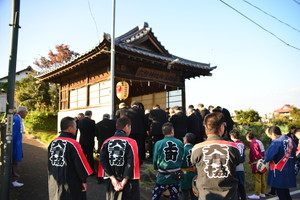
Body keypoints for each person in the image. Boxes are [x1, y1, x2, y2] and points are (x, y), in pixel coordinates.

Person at [191, 112, 240, 200]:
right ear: (222, 127)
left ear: (205, 128)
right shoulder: (233, 147)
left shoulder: (196, 148)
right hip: (229, 196)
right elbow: (237, 163)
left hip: (205, 195)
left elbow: (195, 167)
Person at [48, 117, 93, 200]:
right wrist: (83, 180)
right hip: (70, 181)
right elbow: (80, 164)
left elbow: (49, 163)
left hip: (54, 179)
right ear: (70, 128)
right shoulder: (73, 144)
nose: (76, 128)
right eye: (75, 126)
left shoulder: (53, 142)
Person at [98, 117, 140, 200]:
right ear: (127, 127)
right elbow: (132, 162)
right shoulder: (131, 142)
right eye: (130, 127)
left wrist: (113, 179)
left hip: (112, 182)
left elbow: (103, 161)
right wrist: (123, 182)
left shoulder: (106, 142)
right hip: (128, 183)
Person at [152, 122, 184, 200]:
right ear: (172, 131)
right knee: (174, 197)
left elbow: (155, 159)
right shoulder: (179, 142)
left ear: (163, 132)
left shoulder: (158, 143)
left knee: (155, 196)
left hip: (162, 175)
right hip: (176, 175)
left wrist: (156, 168)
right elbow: (182, 157)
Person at [264, 126, 297, 200]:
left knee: (281, 193)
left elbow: (268, 156)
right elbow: (295, 151)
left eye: (270, 136)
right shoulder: (290, 139)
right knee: (286, 192)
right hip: (289, 169)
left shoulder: (276, 142)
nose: (271, 138)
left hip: (279, 171)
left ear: (273, 134)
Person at [246, 132, 267, 199]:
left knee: (257, 179)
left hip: (257, 162)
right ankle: (263, 193)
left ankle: (257, 194)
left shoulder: (253, 143)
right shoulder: (258, 141)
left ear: (248, 137)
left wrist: (252, 161)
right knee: (262, 178)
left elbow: (256, 153)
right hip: (263, 161)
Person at [12, 106, 28, 187]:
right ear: (21, 112)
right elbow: (14, 134)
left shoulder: (17, 118)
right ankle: (14, 180)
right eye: (26, 112)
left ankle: (14, 180)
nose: (26, 113)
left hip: (17, 144)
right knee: (16, 161)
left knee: (16, 160)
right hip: (15, 145)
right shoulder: (17, 119)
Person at [229, 130, 247, 200]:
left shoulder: (234, 144)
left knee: (236, 184)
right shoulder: (242, 144)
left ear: (232, 136)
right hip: (241, 165)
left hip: (235, 165)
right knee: (241, 184)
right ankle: (243, 197)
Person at [180, 133, 197, 200]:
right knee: (194, 193)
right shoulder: (195, 149)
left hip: (185, 174)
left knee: (184, 193)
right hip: (194, 173)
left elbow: (180, 162)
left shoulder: (183, 149)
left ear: (186, 140)